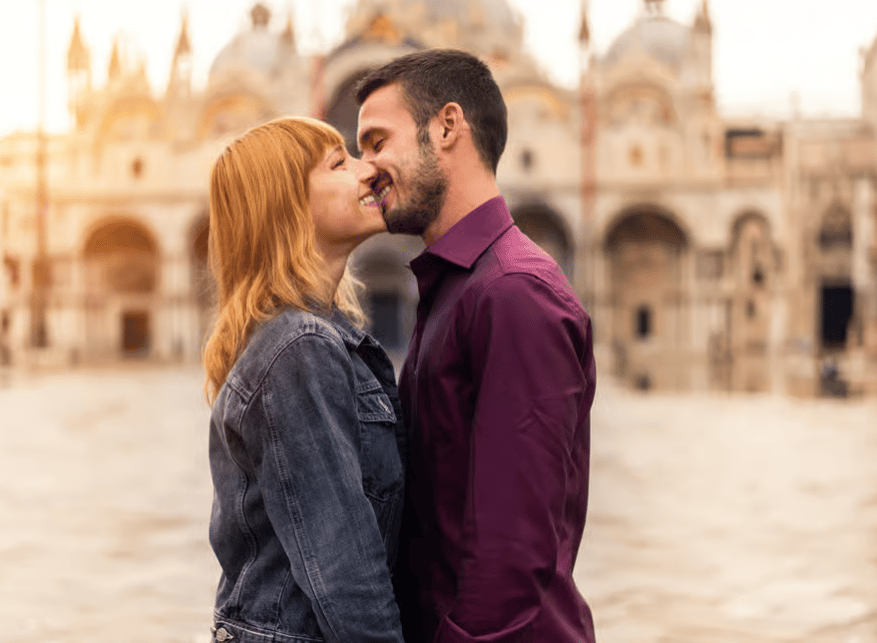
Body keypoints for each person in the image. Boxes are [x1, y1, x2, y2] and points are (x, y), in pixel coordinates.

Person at [356, 49, 597, 642]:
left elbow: (511, 560)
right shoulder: (459, 288)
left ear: (446, 127)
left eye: (377, 142)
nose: (366, 169)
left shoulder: (512, 295)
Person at [203, 117, 407, 643]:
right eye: (340, 163)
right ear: (288, 207)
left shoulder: (312, 337)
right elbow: (345, 570)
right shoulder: (299, 348)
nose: (370, 171)